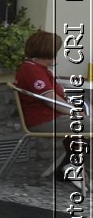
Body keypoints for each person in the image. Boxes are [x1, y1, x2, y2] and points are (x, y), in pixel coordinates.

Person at [15, 30, 84, 180]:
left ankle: (68, 167)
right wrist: (75, 113)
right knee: (88, 124)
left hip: (52, 118)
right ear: (48, 51)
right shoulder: (32, 70)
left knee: (86, 126)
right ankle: (78, 170)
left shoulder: (37, 68)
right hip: (44, 120)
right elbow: (51, 100)